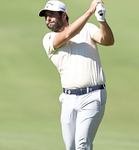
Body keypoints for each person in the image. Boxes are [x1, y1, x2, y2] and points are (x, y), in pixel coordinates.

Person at [38, 0, 114, 150]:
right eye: (46, 16)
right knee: (71, 146)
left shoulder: (88, 28)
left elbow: (108, 41)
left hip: (92, 96)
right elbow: (67, 34)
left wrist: (101, 20)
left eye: (52, 15)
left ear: (63, 15)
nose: (48, 19)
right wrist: (89, 11)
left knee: (82, 145)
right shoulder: (48, 39)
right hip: (68, 99)